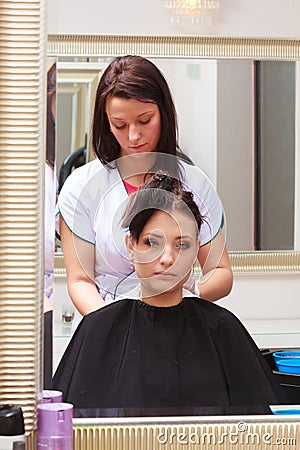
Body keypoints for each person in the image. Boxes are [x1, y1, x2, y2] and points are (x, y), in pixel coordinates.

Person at [53, 173, 284, 410]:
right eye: (152, 243)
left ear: (196, 249)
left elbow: (264, 430)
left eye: (182, 245)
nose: (167, 259)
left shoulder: (223, 328)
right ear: (130, 246)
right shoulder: (98, 329)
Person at [56, 55, 233, 333]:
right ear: (106, 123)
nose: (134, 136)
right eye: (120, 125)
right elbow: (80, 281)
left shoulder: (194, 183)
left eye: (144, 120)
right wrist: (118, 325)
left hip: (177, 328)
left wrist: (188, 292)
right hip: (106, 330)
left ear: (163, 112)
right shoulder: (81, 187)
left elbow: (221, 273)